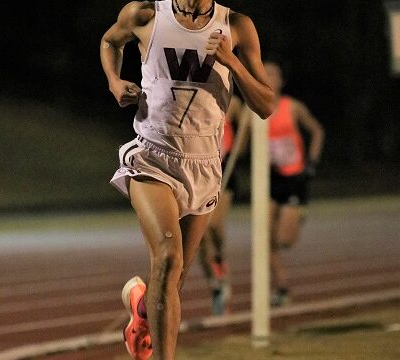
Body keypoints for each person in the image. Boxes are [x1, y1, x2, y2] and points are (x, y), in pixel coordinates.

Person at [100, 1, 274, 359]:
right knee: (168, 257)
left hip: (204, 165)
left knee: (171, 282)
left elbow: (266, 104)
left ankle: (142, 307)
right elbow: (110, 42)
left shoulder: (237, 25)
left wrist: (233, 62)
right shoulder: (145, 14)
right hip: (152, 157)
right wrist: (114, 81)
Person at [264, 61, 325, 307]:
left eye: (273, 75)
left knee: (284, 240)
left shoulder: (293, 107)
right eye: (264, 73)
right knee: (263, 238)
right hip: (270, 180)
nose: (268, 78)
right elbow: (242, 143)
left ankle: (298, 213)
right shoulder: (254, 110)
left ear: (281, 81)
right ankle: (282, 288)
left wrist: (312, 163)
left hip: (295, 179)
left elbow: (317, 131)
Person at [197, 94, 247, 315]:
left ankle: (220, 258)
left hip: (224, 170)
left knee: (213, 225)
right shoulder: (194, 96)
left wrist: (239, 147)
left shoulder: (233, 103)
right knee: (198, 236)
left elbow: (249, 125)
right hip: (198, 169)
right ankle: (215, 285)